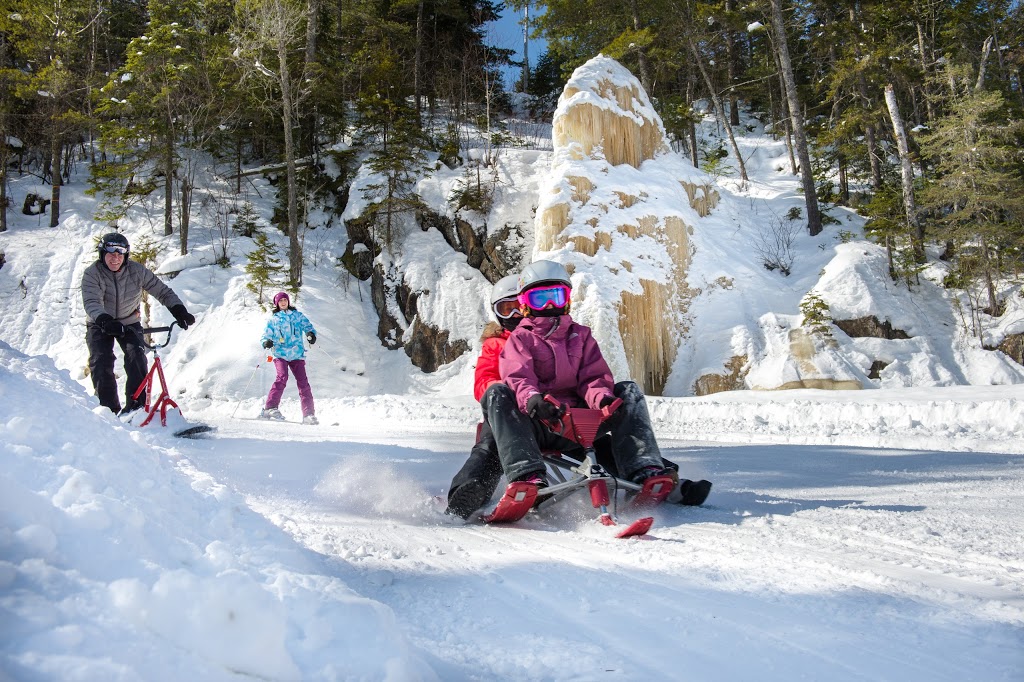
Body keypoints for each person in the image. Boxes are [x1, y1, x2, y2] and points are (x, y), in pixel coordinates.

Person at [487, 260, 711, 505]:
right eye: (540, 299)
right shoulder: (520, 338)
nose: (550, 305)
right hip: (540, 423)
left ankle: (644, 469)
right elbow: (518, 376)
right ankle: (527, 476)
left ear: (568, 298)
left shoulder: (581, 336)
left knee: (628, 389)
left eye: (556, 297)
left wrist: (601, 397)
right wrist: (533, 399)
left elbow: (593, 376)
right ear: (526, 304)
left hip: (580, 422)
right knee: (499, 394)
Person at [82, 232, 196, 415]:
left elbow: (162, 291)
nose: (115, 258)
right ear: (102, 254)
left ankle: (136, 408)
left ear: (126, 256)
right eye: (111, 254)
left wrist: (178, 310)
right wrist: (105, 320)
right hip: (100, 322)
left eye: (120, 254)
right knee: (101, 361)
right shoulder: (92, 274)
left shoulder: (136, 271)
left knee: (137, 358)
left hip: (128, 321)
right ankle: (109, 410)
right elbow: (92, 303)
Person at [446, 274, 524, 519]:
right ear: (497, 313)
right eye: (507, 309)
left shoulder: (544, 338)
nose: (515, 315)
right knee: (490, 447)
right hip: (507, 412)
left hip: (547, 411)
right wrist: (503, 391)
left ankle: (633, 475)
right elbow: (483, 381)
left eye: (519, 307)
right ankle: (468, 492)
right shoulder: (495, 344)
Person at [260, 291, 319, 425]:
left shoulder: (297, 316)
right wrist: (266, 342)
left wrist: (310, 334)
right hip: (280, 354)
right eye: (280, 301)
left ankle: (308, 414)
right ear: (277, 303)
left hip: (296, 354)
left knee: (303, 383)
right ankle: (270, 408)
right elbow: (266, 335)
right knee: (282, 377)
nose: (283, 302)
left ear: (288, 302)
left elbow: (307, 326)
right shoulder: (273, 319)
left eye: (285, 300)